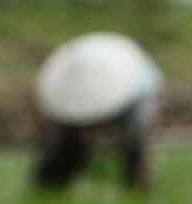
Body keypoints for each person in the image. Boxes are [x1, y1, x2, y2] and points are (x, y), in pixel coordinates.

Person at [32, 33, 163, 191]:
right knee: (61, 148)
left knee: (135, 149)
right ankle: (50, 183)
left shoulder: (140, 84)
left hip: (134, 91)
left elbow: (135, 130)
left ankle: (138, 183)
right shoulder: (65, 81)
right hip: (85, 87)